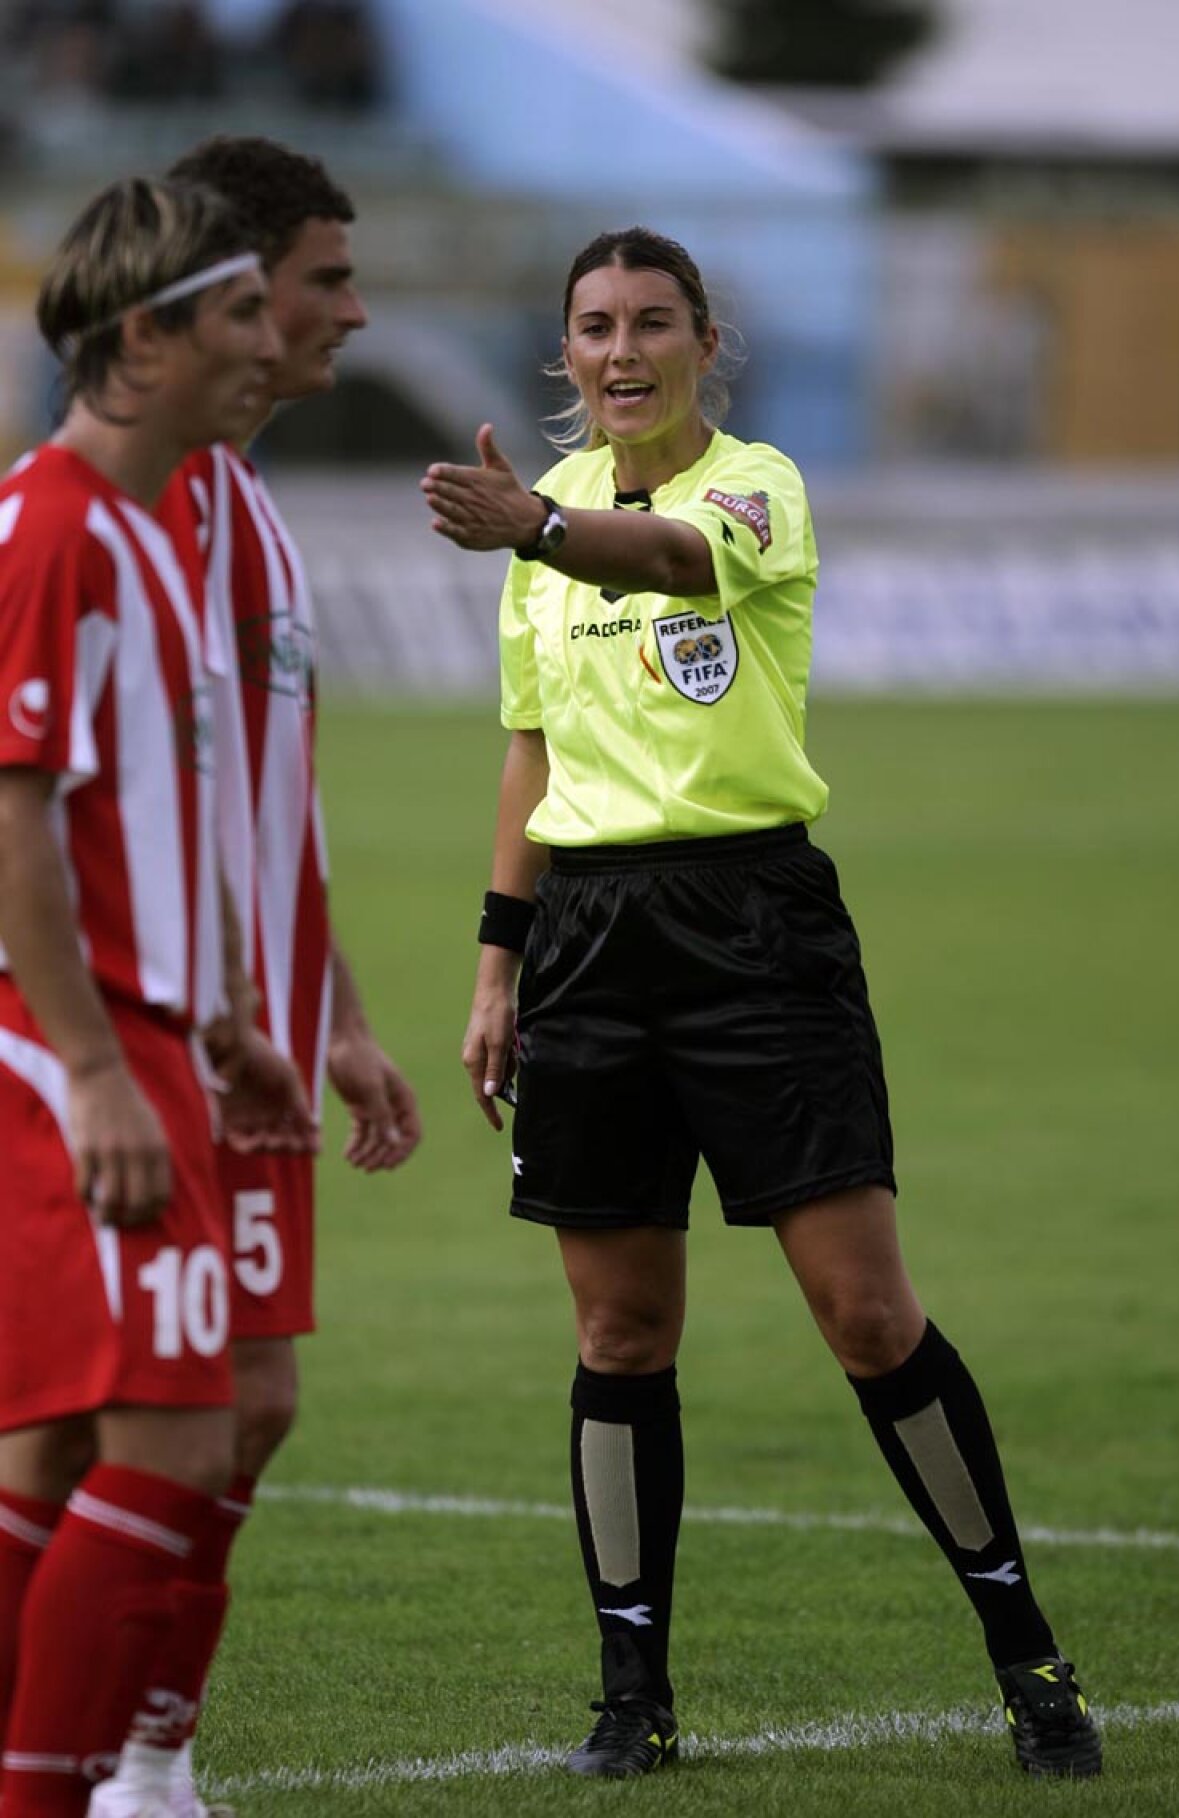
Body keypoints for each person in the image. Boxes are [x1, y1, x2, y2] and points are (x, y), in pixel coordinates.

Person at [421, 227, 1102, 1783]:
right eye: (594, 326)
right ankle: (631, 1696)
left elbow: (664, 559)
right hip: (588, 941)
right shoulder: (550, 532)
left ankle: (1029, 1653)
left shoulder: (756, 486)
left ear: (704, 342)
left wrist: (532, 525)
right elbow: (529, 756)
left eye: (652, 322)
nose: (621, 351)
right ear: (565, 350)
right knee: (620, 1325)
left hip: (754, 925)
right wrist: (493, 966)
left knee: (866, 1311)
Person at [96, 137, 423, 1818]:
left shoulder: (244, 505)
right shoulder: (141, 501)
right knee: (159, 1416)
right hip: (161, 1037)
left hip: (263, 1037)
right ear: (233, 292)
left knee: (238, 1409)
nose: (351, 316)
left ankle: (145, 1753)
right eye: (325, 282)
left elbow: (256, 808)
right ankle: (112, 1757)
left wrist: (342, 1009)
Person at [0, 175, 303, 1818]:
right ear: (148, 335)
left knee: (60, 1457)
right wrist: (102, 1070)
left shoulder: (148, 528)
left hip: (158, 1047)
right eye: (244, 314)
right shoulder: (52, 528)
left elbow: (137, 820)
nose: (274, 344)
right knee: (181, 1446)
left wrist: (228, 1023)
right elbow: (11, 812)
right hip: (73, 1064)